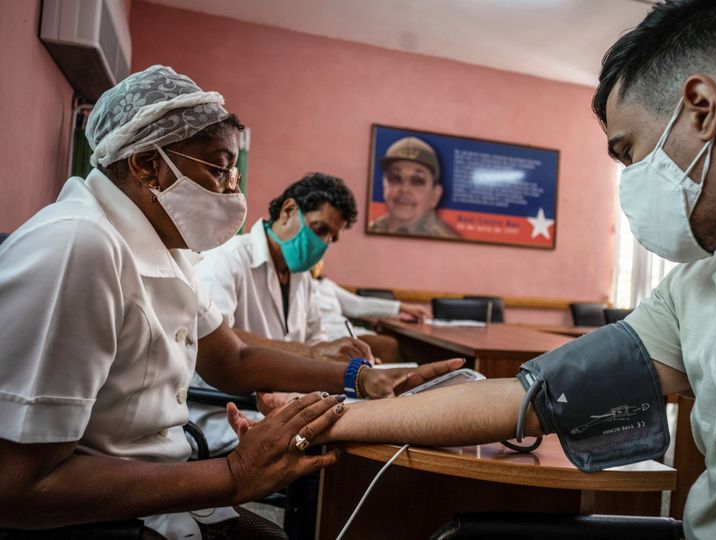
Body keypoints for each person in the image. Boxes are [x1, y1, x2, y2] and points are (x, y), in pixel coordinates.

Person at [239, 2, 716, 539]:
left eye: (629, 153)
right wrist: (322, 417)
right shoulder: (692, 288)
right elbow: (529, 397)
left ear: (701, 109)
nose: (628, 180)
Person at [0, 65, 461, 539]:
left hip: (165, 492)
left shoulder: (169, 248)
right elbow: (17, 487)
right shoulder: (80, 246)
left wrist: (362, 378)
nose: (233, 190)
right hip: (105, 520)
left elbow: (233, 359)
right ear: (146, 165)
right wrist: (235, 475)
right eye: (219, 168)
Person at [192, 173, 379, 457]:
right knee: (338, 457)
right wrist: (315, 353)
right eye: (319, 229)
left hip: (284, 407)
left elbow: (318, 341)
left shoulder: (302, 279)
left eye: (332, 237)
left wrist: (340, 358)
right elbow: (218, 339)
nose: (324, 243)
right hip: (228, 409)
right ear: (289, 210)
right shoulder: (226, 259)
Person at [310, 259, 432, 362]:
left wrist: (402, 307)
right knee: (389, 345)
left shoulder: (325, 285)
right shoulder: (299, 284)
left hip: (349, 332)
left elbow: (358, 305)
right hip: (328, 337)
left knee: (410, 348)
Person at [368, 136, 458, 238]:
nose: (404, 189)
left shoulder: (447, 243)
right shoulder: (370, 229)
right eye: (396, 178)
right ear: (384, 186)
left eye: (417, 181)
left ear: (435, 195)